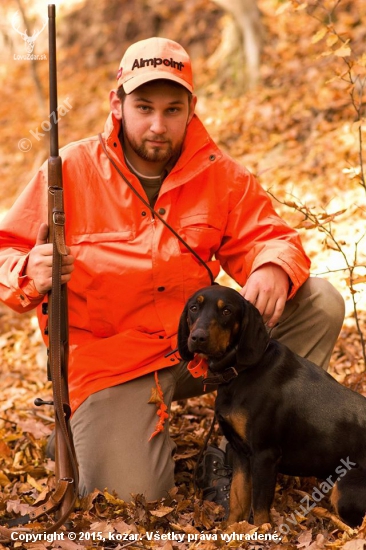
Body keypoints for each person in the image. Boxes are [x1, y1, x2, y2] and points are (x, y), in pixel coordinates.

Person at [0, 37, 345, 506]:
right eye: (144, 107)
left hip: (200, 349)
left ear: (192, 107)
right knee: (132, 495)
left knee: (319, 301)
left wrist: (271, 268)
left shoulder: (218, 174)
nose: (158, 126)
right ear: (117, 104)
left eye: (172, 109)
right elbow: (5, 252)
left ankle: (239, 446)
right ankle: (86, 430)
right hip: (113, 366)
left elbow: (273, 237)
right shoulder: (70, 171)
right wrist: (27, 270)